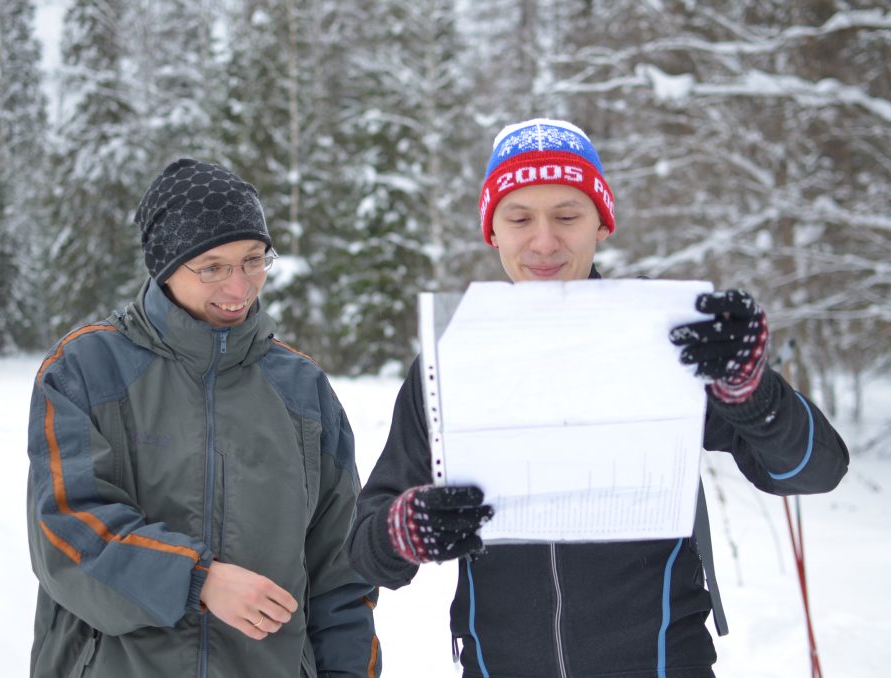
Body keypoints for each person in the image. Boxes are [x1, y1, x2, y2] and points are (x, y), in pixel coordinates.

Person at [348, 119, 849, 677]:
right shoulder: (453, 361)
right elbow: (367, 553)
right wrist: (403, 528)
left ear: (601, 225)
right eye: (519, 218)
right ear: (492, 230)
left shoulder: (666, 342)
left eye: (567, 216)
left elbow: (814, 471)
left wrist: (751, 391)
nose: (543, 241)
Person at [27, 159, 381, 678]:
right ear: (164, 265)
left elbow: (341, 574)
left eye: (254, 260)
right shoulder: (85, 368)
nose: (239, 288)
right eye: (212, 267)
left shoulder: (302, 389)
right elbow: (66, 532)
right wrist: (197, 580)